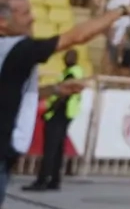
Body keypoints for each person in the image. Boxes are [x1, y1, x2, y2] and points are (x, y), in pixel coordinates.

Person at [0, 0, 130, 208]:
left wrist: (55, 89)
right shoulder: (18, 49)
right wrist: (126, 10)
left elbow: (11, 93)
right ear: (3, 22)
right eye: (25, 13)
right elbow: (77, 36)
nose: (32, 18)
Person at [23, 49, 85, 192]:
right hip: (67, 114)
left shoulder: (71, 73)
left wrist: (50, 111)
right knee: (58, 149)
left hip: (59, 113)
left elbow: (64, 95)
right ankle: (55, 180)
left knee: (50, 149)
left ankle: (42, 180)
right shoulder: (76, 72)